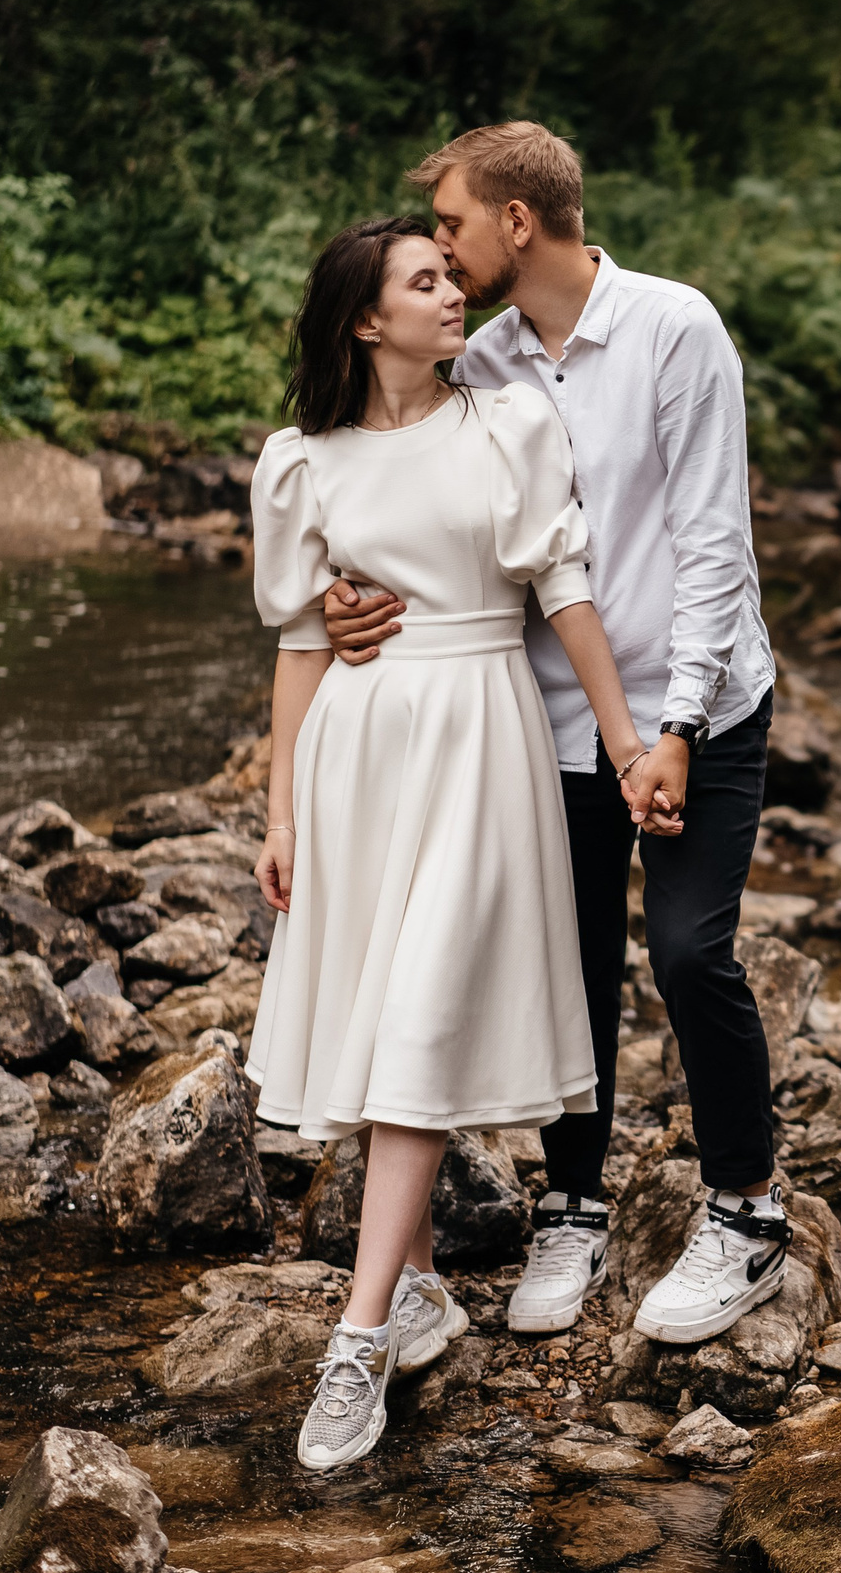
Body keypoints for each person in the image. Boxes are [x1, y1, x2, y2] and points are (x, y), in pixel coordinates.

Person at [321, 122, 789, 1346]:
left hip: (704, 706)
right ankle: (572, 1207)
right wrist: (346, 599)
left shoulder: (677, 328)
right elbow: (429, 512)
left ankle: (747, 1211)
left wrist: (676, 724)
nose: (441, 244)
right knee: (568, 963)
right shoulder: (477, 363)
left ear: (517, 224)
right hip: (550, 715)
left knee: (690, 955)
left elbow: (712, 546)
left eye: (454, 225)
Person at [248, 216, 658, 1470]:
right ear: (367, 323)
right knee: (377, 1011)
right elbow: (303, 645)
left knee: (419, 1013)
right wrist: (278, 810)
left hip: (483, 735)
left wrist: (627, 739)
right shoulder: (301, 461)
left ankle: (358, 1337)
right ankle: (418, 1286)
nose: (452, 294)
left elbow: (565, 587)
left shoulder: (506, 425)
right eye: (423, 282)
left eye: (448, 274)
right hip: (358, 753)